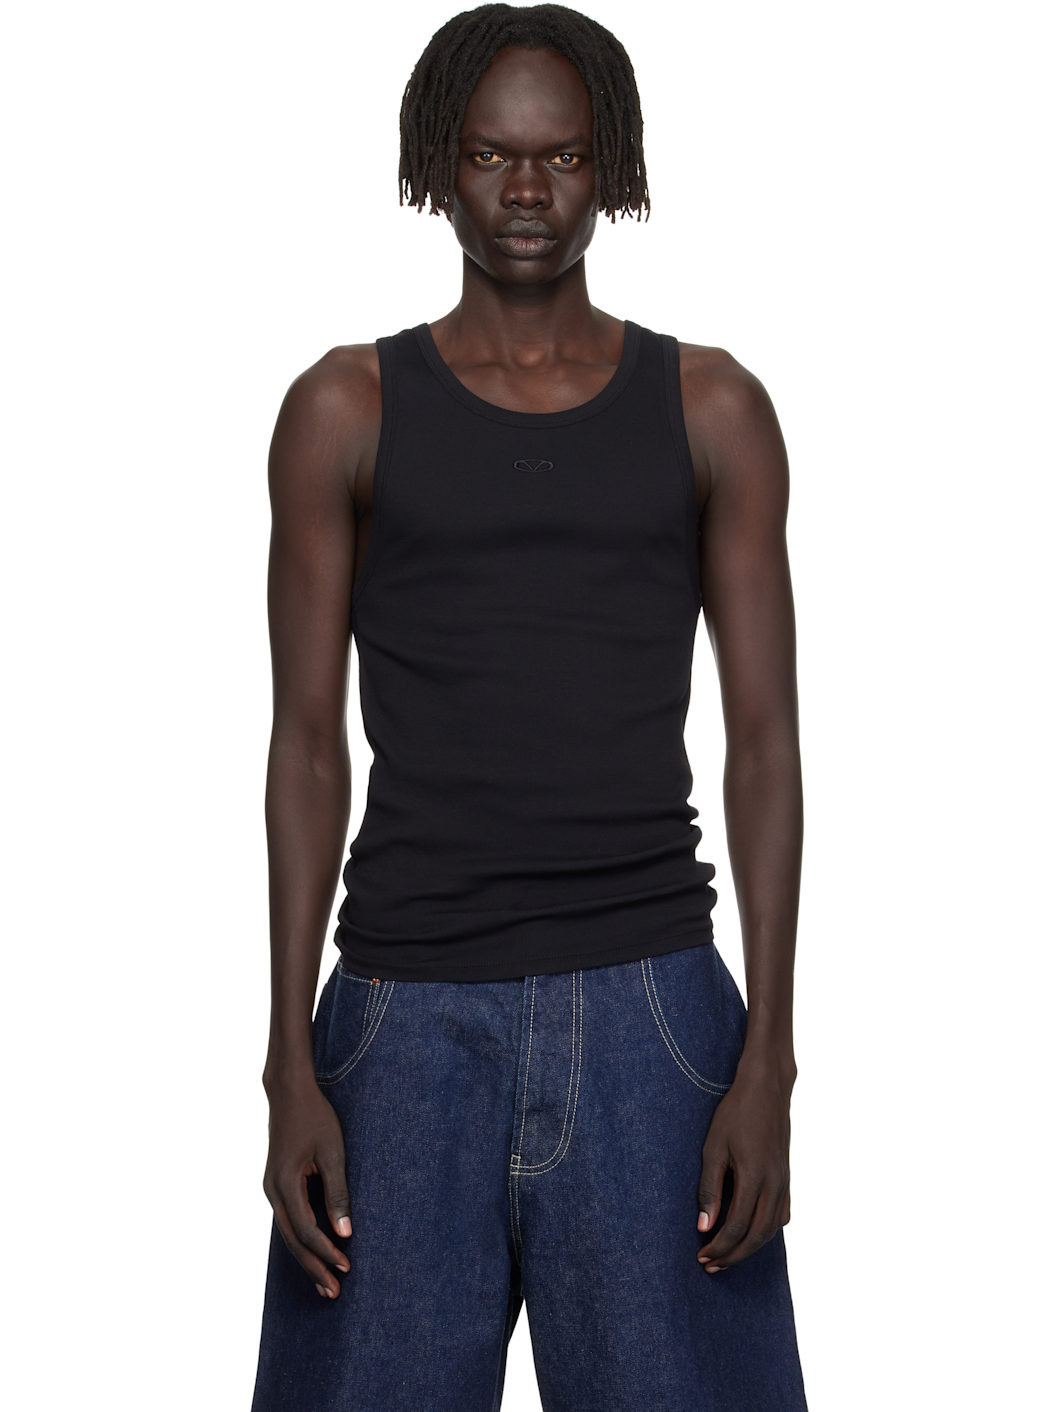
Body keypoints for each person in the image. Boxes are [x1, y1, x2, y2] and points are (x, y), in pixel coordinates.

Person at [250, 4, 809, 1408]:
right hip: (402, 1017)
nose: (525, 190)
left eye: (561, 157)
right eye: (493, 155)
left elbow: (766, 746)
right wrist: (288, 1065)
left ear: (609, 165)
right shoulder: (345, 409)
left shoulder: (712, 407)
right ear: (439, 164)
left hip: (653, 1011)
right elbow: (304, 747)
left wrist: (768, 1065)